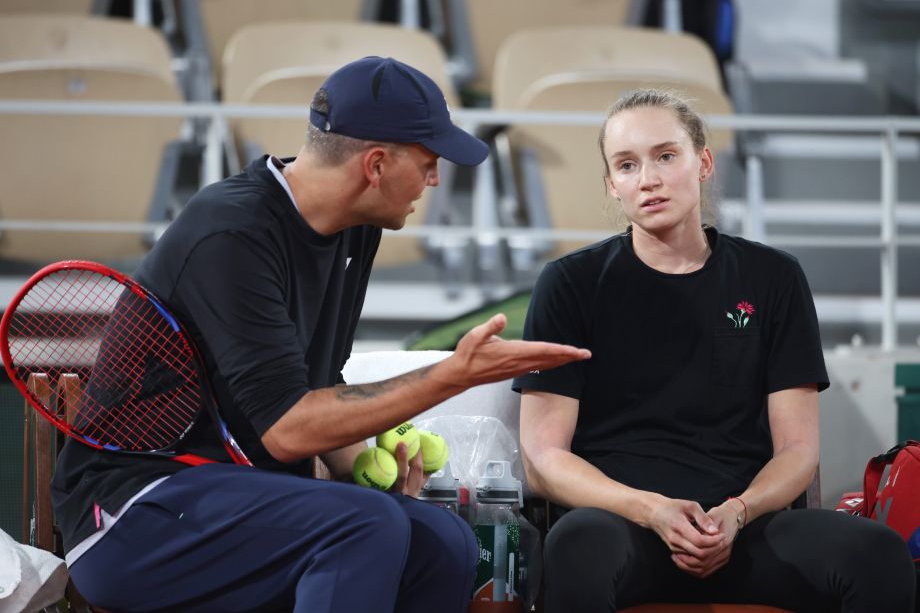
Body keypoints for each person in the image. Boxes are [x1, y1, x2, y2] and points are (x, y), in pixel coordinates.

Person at [51, 56, 591, 612]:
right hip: (131, 513)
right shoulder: (230, 232)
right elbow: (289, 429)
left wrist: (363, 468)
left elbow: (320, 384)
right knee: (365, 525)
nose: (434, 180)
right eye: (429, 163)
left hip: (238, 501)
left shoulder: (355, 228)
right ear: (376, 165)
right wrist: (452, 375)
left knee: (442, 539)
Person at [513, 89, 916, 612]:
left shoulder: (774, 277)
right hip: (624, 527)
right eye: (627, 165)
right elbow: (544, 458)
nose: (649, 179)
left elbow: (798, 450)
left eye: (665, 156)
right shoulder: (569, 283)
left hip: (746, 529)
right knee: (574, 545)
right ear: (613, 185)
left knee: (878, 553)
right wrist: (650, 510)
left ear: (703, 162)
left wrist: (737, 513)